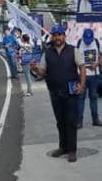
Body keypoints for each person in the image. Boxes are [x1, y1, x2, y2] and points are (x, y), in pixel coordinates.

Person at [35, 25, 86, 163]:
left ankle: (72, 151)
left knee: (71, 121)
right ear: (52, 36)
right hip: (55, 93)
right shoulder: (47, 53)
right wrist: (37, 69)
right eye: (55, 35)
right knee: (60, 122)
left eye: (60, 34)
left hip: (71, 92)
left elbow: (82, 67)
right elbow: (42, 71)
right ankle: (62, 147)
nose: (57, 37)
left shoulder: (73, 51)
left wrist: (82, 85)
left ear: (64, 36)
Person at [76, 28, 102, 128]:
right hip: (81, 75)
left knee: (93, 97)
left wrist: (97, 63)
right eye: (86, 40)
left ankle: (95, 119)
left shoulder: (97, 42)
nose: (87, 42)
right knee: (81, 98)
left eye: (89, 40)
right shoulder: (79, 43)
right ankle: (79, 121)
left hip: (94, 75)